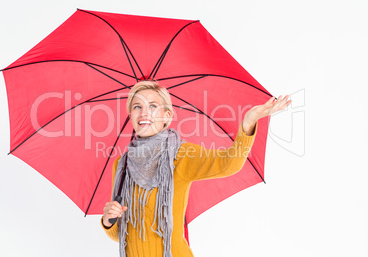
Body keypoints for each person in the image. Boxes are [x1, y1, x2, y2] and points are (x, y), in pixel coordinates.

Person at [101, 81, 291, 256]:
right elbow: (124, 235)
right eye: (137, 107)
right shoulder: (122, 164)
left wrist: (249, 122)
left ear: (167, 116)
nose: (144, 113)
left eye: (153, 106)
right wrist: (109, 220)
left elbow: (229, 163)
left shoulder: (181, 154)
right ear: (131, 115)